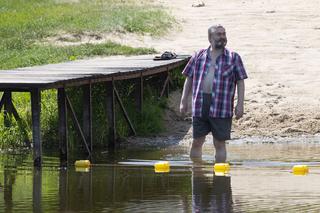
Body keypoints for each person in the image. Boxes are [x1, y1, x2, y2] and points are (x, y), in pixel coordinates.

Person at [180, 25, 248, 162]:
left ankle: (220, 178)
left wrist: (240, 105)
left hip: (222, 106)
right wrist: (183, 101)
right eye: (218, 34)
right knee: (197, 142)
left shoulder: (233, 57)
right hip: (200, 104)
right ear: (210, 38)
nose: (222, 37)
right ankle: (197, 174)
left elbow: (240, 81)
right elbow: (189, 78)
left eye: (224, 34)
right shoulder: (198, 56)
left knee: (219, 143)